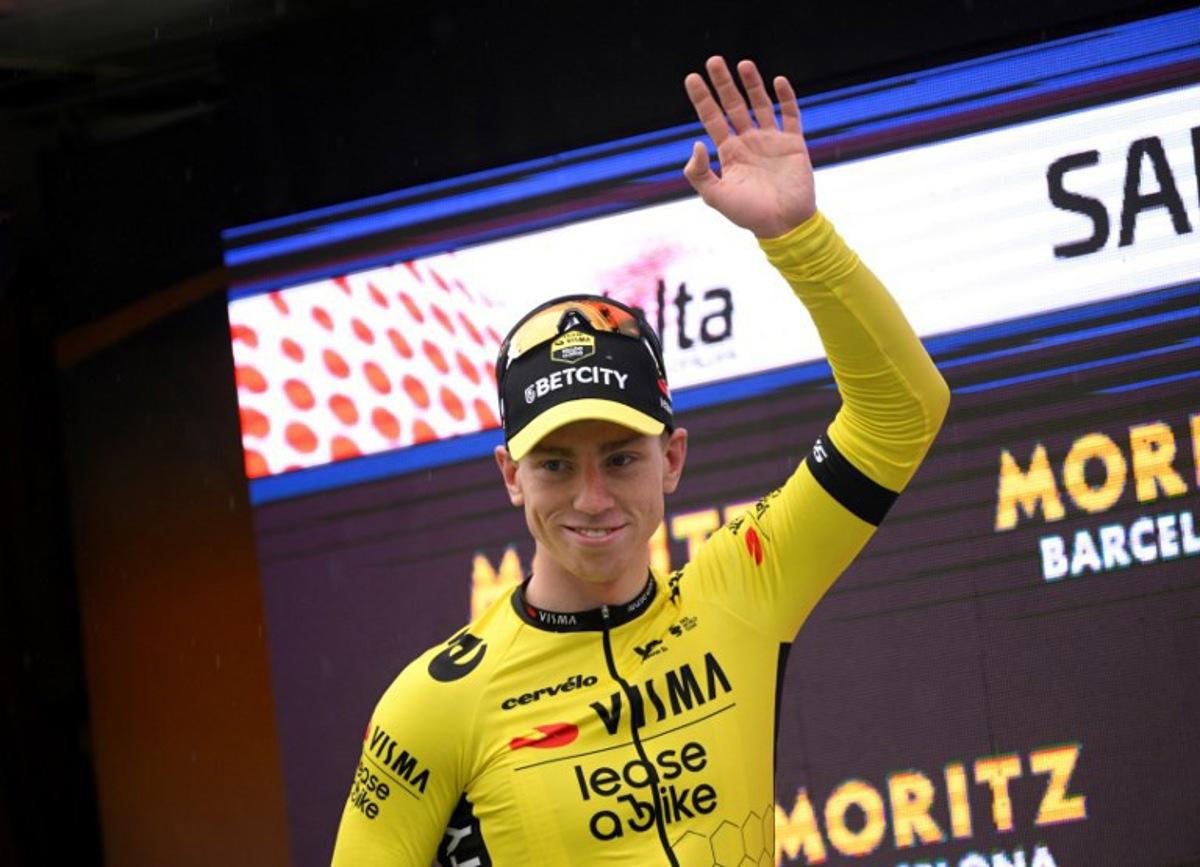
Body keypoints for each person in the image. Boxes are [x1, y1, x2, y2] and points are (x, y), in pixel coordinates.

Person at [331, 56, 949, 866]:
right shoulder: (434, 705)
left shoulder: (743, 592)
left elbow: (902, 411)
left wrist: (797, 237)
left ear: (673, 458)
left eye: (621, 458)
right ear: (510, 474)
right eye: (556, 465)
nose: (591, 497)